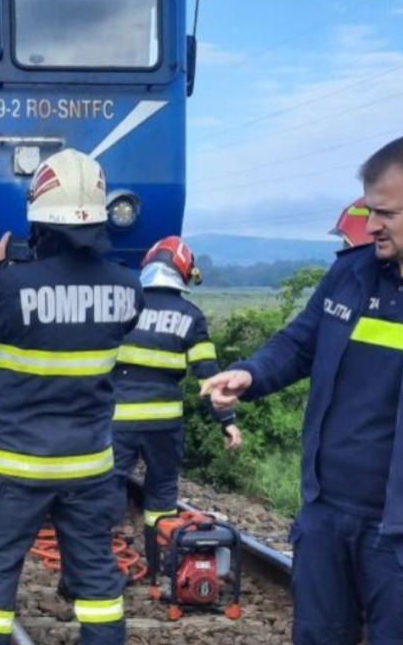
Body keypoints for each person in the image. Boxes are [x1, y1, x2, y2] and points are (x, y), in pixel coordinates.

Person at [201, 134, 403, 644]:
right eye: (369, 210)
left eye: (386, 213)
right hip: (326, 518)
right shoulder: (353, 272)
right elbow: (300, 343)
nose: (371, 226)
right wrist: (251, 374)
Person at [0, 148, 144, 644]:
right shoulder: (128, 289)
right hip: (90, 470)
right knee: (98, 585)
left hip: (16, 470)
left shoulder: (8, 287)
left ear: (39, 219)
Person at [110, 236, 241, 565]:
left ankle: (98, 565)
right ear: (183, 272)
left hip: (117, 421)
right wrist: (227, 423)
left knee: (108, 486)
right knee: (162, 494)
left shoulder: (121, 306)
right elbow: (209, 376)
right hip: (164, 425)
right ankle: (159, 564)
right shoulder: (191, 316)